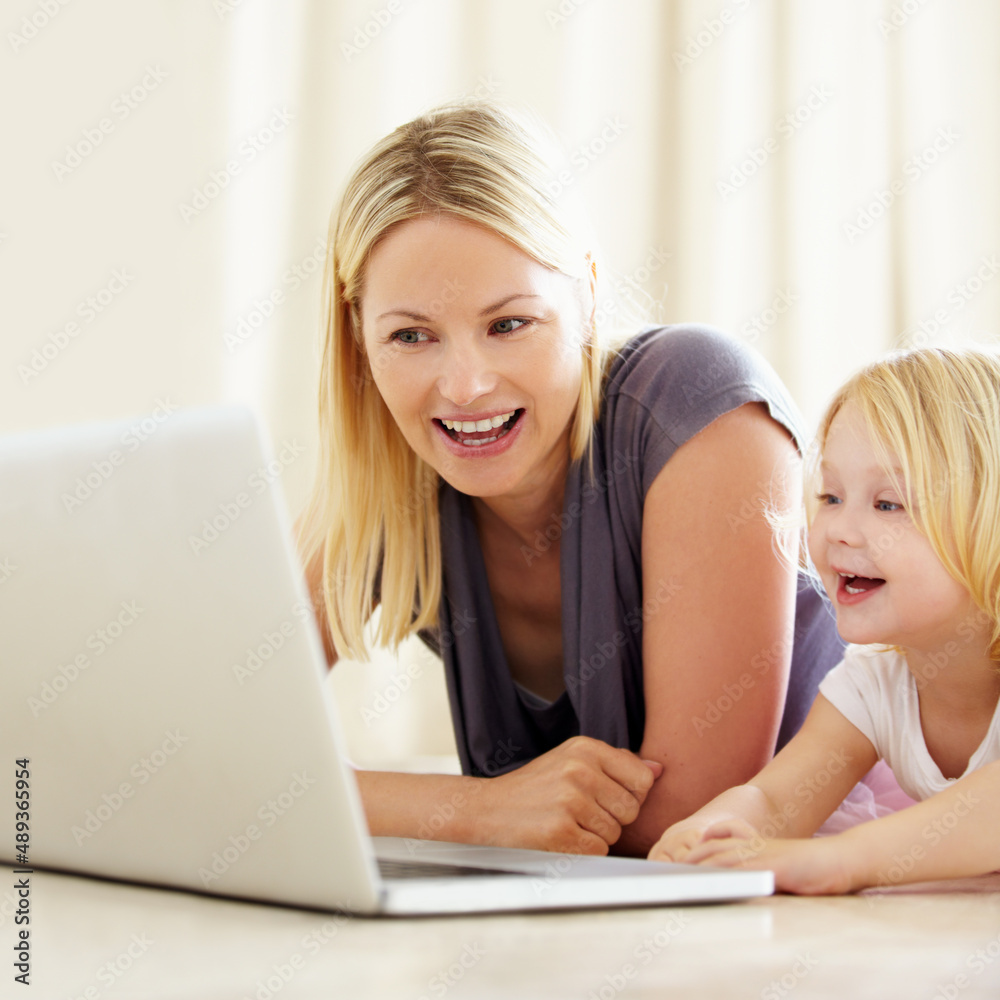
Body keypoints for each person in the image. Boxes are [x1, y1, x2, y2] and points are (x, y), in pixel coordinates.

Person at [297, 99, 844, 857]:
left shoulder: (698, 406)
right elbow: (198, 751)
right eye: (411, 336)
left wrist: (397, 805)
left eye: (509, 324)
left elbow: (691, 826)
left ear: (587, 296)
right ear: (360, 345)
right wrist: (473, 812)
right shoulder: (389, 481)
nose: (463, 387)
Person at [648, 346, 1000, 890]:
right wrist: (710, 834)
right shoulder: (874, 681)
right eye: (830, 496)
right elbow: (777, 796)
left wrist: (845, 859)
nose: (838, 529)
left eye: (888, 504)